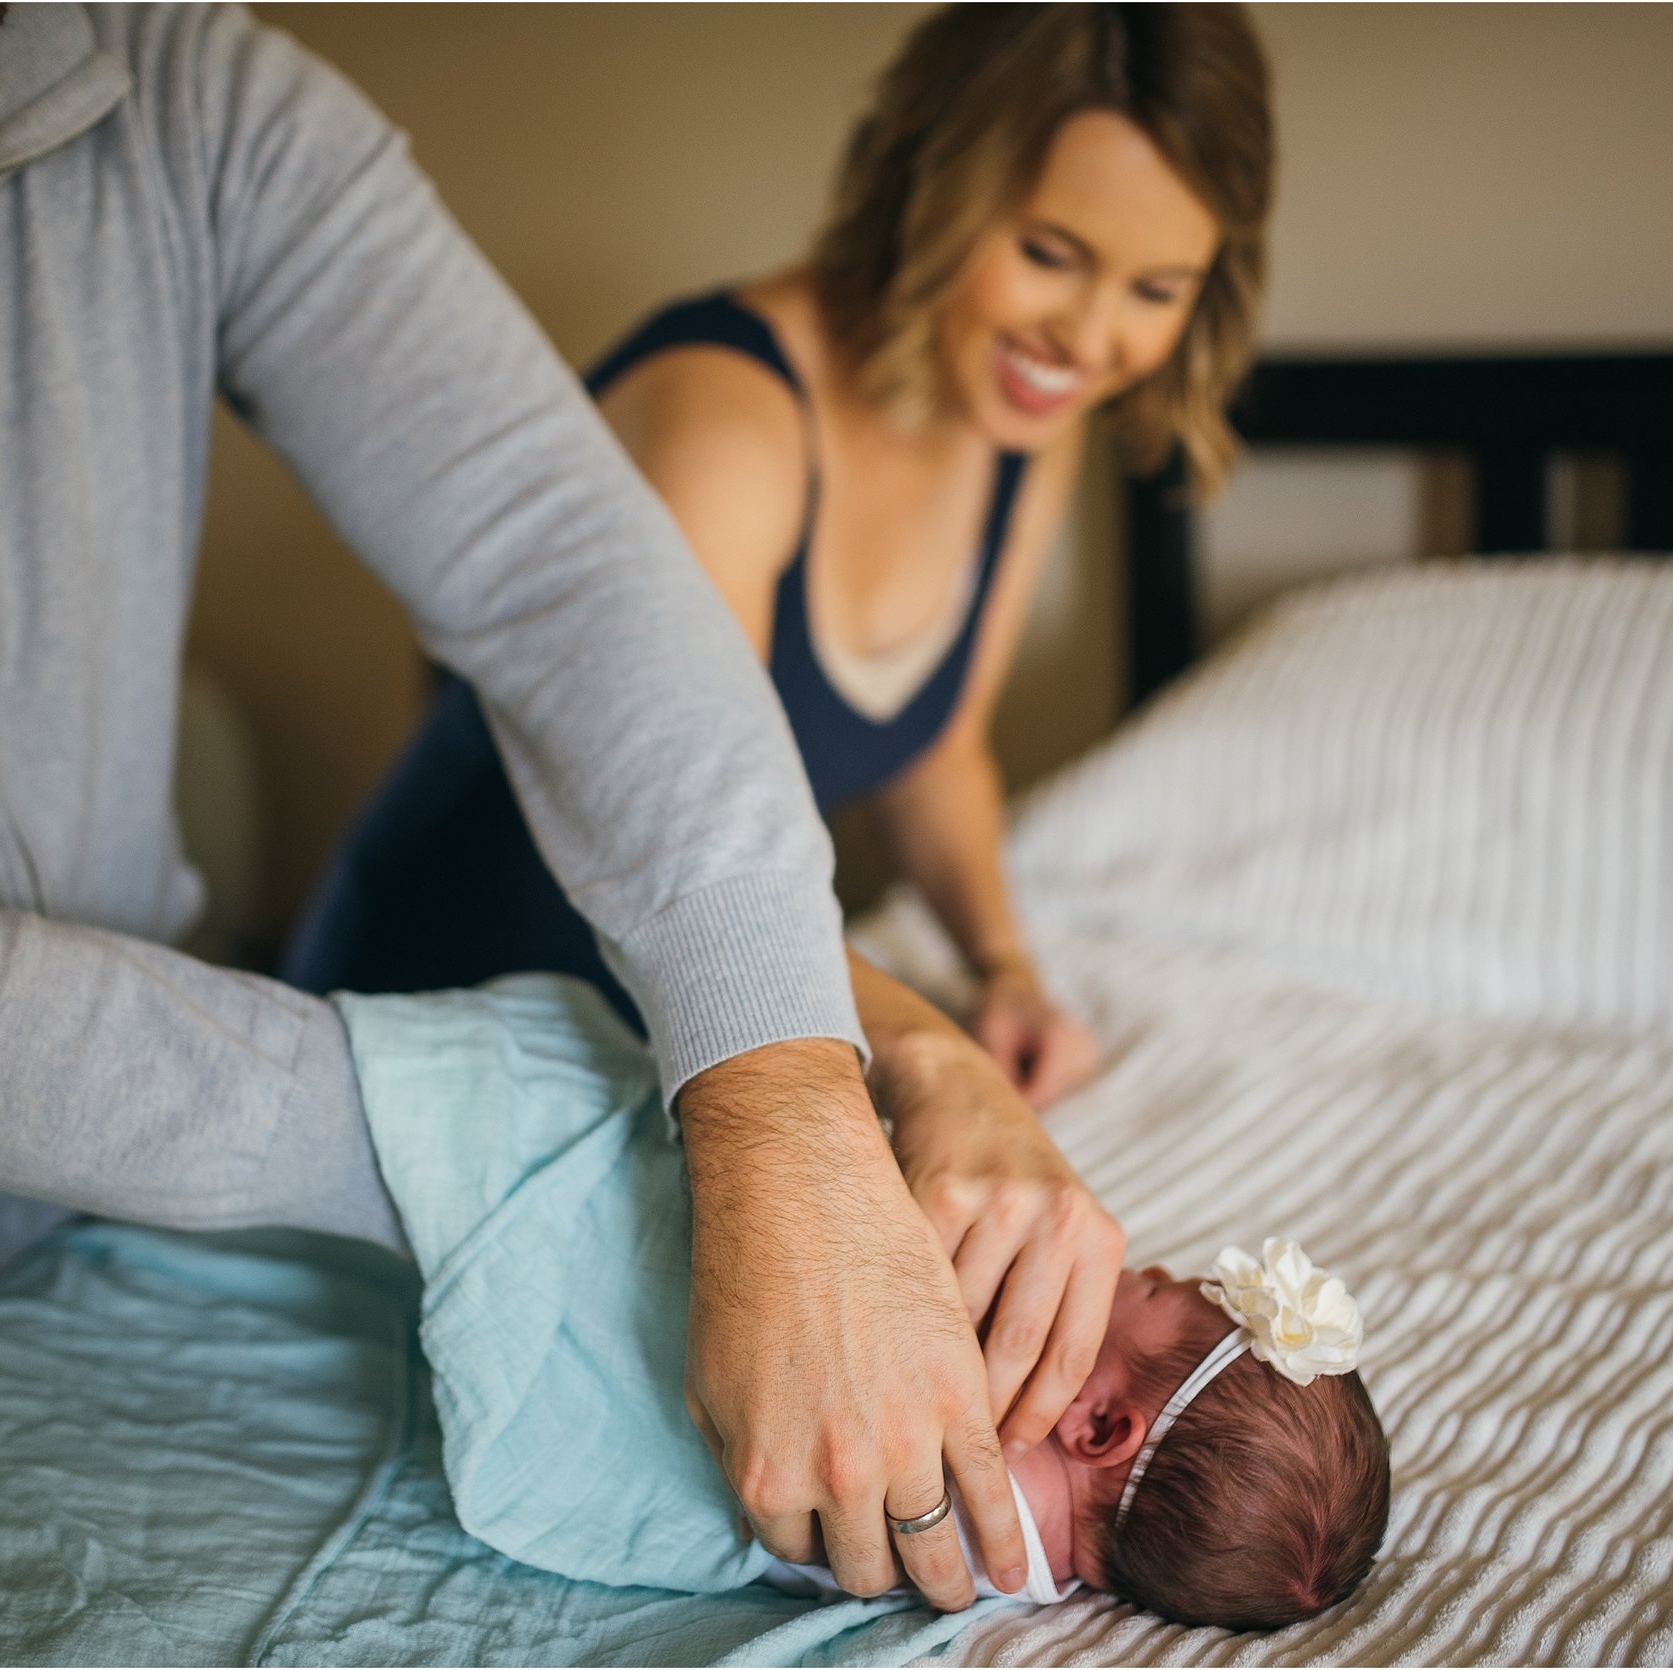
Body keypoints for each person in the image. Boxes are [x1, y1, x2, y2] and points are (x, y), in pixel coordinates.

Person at [0, 4, 1124, 1608]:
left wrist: (820, 1083)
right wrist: (481, 1132)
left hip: (113, 1229)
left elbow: (561, 568)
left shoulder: (178, 85)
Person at [282, 2, 1273, 1112]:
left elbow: (935, 747)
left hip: (674, 1037)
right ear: (926, 183)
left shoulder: (1021, 422)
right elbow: (686, 874)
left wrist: (1003, 970)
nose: (1090, 342)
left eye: (1156, 289)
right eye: (1049, 254)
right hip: (458, 1026)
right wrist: (929, 1051)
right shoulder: (724, 421)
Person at [340, 973, 1391, 1626]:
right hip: (601, 1465)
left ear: (1101, 1422)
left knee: (518, 1093)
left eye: (1149, 1288)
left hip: (637, 1332)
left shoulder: (993, 1470)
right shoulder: (1028, 1570)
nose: (1136, 1265)